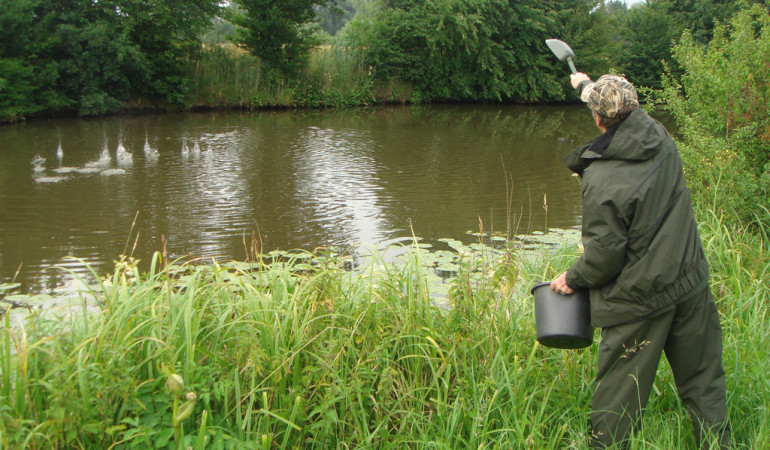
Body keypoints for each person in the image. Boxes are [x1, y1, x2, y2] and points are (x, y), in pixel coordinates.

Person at [549, 73, 730, 448]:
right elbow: (616, 108)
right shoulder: (660, 137)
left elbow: (603, 260)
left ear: (599, 120)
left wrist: (573, 277)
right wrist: (585, 87)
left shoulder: (601, 177)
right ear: (633, 108)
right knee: (703, 381)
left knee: (618, 399)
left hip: (638, 299)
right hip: (688, 280)